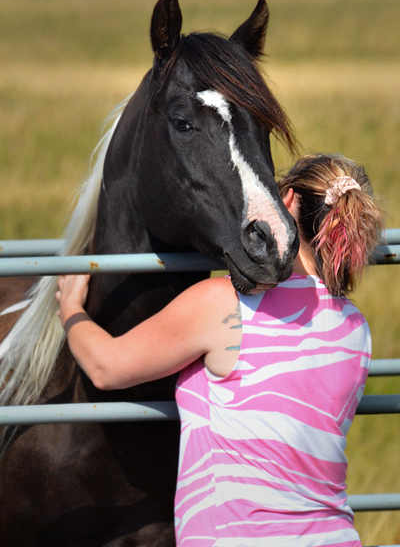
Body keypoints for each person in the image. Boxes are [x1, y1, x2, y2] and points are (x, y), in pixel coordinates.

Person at [56, 153, 384, 547]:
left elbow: (105, 367)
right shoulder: (355, 328)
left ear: (290, 200)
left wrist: (70, 308)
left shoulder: (225, 304)